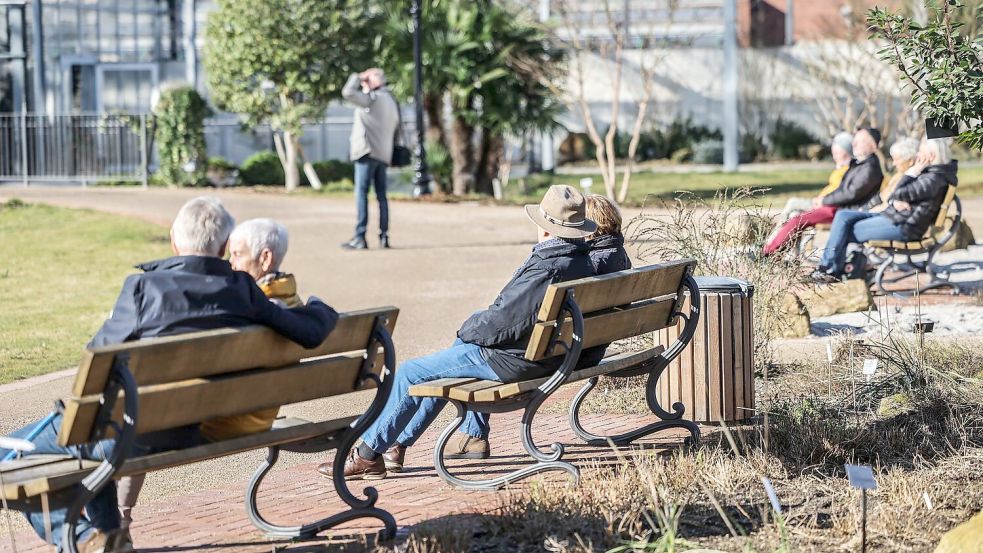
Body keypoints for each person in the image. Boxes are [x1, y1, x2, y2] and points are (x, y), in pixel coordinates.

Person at [1, 197, 339, 553]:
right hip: (192, 428)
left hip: (130, 431)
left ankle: (87, 540)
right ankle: (111, 541)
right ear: (224, 247)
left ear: (174, 242)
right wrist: (318, 306)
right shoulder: (243, 290)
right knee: (91, 446)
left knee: (13, 456)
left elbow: (95, 362)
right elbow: (310, 331)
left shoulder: (143, 289)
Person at [322, 185, 597, 480]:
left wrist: (469, 328)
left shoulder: (547, 268)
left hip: (515, 361)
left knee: (411, 373)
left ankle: (368, 455)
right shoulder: (583, 261)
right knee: (450, 357)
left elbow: (502, 323)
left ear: (544, 229)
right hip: (550, 356)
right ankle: (451, 437)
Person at [115, 218, 305, 536]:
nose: (229, 264)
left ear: (266, 258)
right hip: (255, 417)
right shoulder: (291, 305)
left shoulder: (248, 310)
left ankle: (116, 525)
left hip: (215, 422)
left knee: (131, 427)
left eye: (236, 255)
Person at [814, 137, 956, 280]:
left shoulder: (932, 179)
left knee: (845, 229)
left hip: (903, 226)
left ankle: (829, 269)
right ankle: (831, 268)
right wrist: (895, 201)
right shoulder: (931, 175)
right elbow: (896, 196)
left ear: (931, 155)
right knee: (843, 215)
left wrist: (912, 172)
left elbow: (898, 192)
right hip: (894, 217)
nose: (917, 155)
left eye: (920, 151)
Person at [762, 128, 884, 256]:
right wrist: (824, 200)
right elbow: (843, 190)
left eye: (859, 141)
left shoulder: (869, 168)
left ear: (872, 145)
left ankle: (767, 253)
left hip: (842, 210)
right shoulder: (862, 165)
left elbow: (850, 193)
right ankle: (781, 254)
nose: (854, 144)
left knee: (796, 220)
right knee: (796, 218)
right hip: (839, 207)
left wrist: (823, 201)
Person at [340, 67, 400, 250]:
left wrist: (358, 77)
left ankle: (360, 237)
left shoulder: (373, 99)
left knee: (362, 194)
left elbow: (347, 92)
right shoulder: (391, 101)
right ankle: (384, 236)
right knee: (382, 196)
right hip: (383, 155)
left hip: (367, 152)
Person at [774, 132, 855, 222]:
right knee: (795, 214)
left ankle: (779, 229)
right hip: (821, 202)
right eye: (833, 153)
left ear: (847, 152)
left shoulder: (848, 171)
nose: (834, 157)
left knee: (792, 202)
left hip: (824, 205)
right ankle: (787, 234)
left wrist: (822, 201)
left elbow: (838, 193)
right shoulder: (841, 168)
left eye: (837, 153)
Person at [861, 137, 920, 214]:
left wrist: (866, 213)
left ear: (910, 161)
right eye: (893, 159)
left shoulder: (910, 180)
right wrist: (863, 209)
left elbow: (887, 206)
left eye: (897, 159)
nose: (893, 163)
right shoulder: (899, 174)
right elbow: (882, 196)